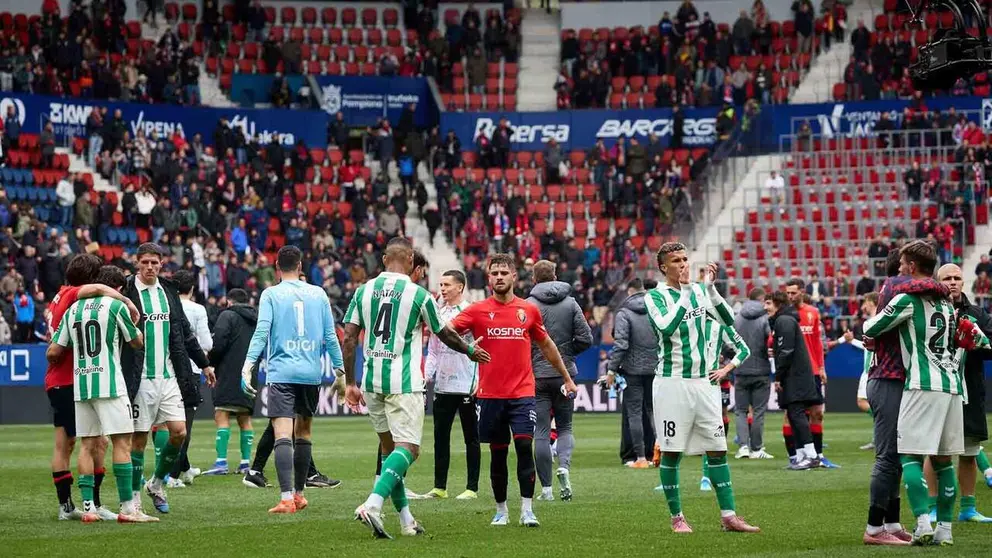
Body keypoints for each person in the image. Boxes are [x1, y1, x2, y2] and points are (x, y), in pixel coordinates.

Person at [345, 238, 489, 539]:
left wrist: (349, 383)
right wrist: (469, 350)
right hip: (404, 382)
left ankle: (406, 521)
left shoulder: (363, 291)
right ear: (411, 259)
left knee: (390, 453)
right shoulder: (418, 294)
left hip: (371, 381)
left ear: (384, 259)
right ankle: (373, 503)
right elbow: (444, 333)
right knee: (409, 449)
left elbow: (348, 338)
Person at [448, 253, 578, 527]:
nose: (499, 277)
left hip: (523, 393)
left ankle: (527, 510)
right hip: (490, 395)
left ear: (514, 277)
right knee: (498, 453)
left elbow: (547, 345)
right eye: (494, 273)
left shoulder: (528, 310)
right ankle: (501, 511)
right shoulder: (477, 310)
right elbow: (445, 330)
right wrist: (468, 349)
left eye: (503, 273)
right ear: (488, 278)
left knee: (523, 446)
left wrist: (567, 377)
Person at [645, 242, 759, 534]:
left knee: (717, 450)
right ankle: (677, 517)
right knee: (672, 452)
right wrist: (686, 292)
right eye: (676, 260)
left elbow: (728, 319)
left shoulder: (699, 291)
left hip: (705, 383)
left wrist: (710, 289)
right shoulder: (655, 296)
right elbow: (667, 327)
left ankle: (729, 516)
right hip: (672, 383)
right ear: (663, 267)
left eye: (685, 258)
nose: (683, 264)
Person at [863, 240, 966, 546]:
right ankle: (877, 528)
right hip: (902, 379)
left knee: (904, 457)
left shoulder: (915, 295)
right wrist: (942, 286)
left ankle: (899, 524)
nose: (900, 270)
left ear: (910, 265)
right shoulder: (909, 289)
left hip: (915, 381)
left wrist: (939, 285)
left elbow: (870, 327)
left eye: (903, 264)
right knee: (898, 457)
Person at [240, 246, 344, 514]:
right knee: (304, 433)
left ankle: (286, 498)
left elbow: (262, 331)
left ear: (276, 266)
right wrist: (340, 371)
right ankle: (299, 495)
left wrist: (248, 364)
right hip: (310, 374)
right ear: (300, 266)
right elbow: (331, 336)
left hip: (282, 373)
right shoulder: (318, 293)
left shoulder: (271, 294)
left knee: (283, 434)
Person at [47, 265, 153, 523]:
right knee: (122, 443)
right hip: (109, 383)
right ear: (118, 288)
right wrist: (136, 325)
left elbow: (53, 351)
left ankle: (88, 508)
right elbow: (137, 342)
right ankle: (128, 509)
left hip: (81, 385)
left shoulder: (73, 310)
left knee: (87, 445)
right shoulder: (116, 306)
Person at [122, 243, 215, 516]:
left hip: (169, 375)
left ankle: (157, 483)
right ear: (137, 263)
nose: (150, 267)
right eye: (145, 262)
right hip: (139, 378)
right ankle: (134, 499)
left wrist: (204, 364)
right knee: (139, 440)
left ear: (162, 264)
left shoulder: (168, 292)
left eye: (155, 262)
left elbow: (184, 333)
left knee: (179, 432)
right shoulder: (127, 291)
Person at [861, 248, 929, 546]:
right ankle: (874, 528)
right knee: (888, 456)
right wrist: (941, 285)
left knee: (898, 457)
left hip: (893, 379)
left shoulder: (894, 293)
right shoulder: (895, 285)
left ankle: (891, 522)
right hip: (888, 379)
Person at [926, 264, 992, 523]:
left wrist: (975, 342)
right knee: (934, 450)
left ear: (963, 282)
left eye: (957, 278)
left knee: (969, 452)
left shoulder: (977, 314)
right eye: (947, 278)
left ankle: (968, 508)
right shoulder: (928, 311)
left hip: (969, 391)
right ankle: (933, 507)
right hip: (937, 389)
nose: (952, 282)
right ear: (937, 282)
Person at [527, 260, 593, 502]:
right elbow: (586, 338)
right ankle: (563, 466)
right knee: (565, 427)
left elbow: (523, 340)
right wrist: (567, 354)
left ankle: (546, 490)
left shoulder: (527, 305)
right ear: (555, 276)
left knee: (541, 431)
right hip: (565, 375)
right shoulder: (571, 303)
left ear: (533, 279)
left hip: (538, 376)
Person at [422, 270, 481, 501]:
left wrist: (480, 378)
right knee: (440, 437)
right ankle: (440, 487)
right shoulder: (437, 314)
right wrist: (426, 376)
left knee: (471, 438)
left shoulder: (471, 313)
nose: (442, 289)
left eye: (447, 285)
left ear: (460, 287)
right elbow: (433, 351)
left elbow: (482, 348)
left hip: (467, 384)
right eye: (441, 285)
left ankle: (472, 488)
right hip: (443, 385)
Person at [783, 279, 837, 468]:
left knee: (817, 413)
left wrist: (821, 368)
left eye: (793, 293)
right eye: (788, 293)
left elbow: (817, 343)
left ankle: (819, 456)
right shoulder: (785, 314)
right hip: (792, 372)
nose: (790, 296)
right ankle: (795, 457)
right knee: (791, 415)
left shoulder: (813, 312)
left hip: (812, 370)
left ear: (802, 292)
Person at [765, 291, 820, 470]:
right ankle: (802, 455)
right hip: (794, 374)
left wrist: (778, 376)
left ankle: (812, 456)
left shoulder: (784, 321)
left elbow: (787, 351)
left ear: (778, 304)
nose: (765, 307)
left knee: (796, 413)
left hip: (795, 375)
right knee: (793, 414)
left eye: (768, 303)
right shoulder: (784, 320)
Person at [206, 288, 257, 481]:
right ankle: (245, 463)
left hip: (228, 372)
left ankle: (221, 462)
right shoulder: (255, 319)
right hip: (249, 373)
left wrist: (210, 361)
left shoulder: (227, 315)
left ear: (229, 301)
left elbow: (218, 343)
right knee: (245, 417)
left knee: (222, 413)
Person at [168, 270, 213, 486]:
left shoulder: (166, 305)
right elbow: (206, 343)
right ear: (192, 289)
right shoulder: (197, 309)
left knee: (168, 424)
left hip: (168, 369)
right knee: (185, 424)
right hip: (191, 370)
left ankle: (185, 469)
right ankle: (172, 475)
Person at [608, 278, 658, 468]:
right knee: (654, 412)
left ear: (630, 291)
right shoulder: (656, 309)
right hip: (655, 369)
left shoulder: (624, 313)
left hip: (632, 370)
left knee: (634, 414)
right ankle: (658, 453)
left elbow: (621, 344)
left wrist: (612, 369)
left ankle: (640, 458)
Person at [699, 314, 750, 490]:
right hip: (686, 383)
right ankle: (667, 480)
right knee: (677, 430)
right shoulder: (685, 323)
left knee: (713, 424)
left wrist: (725, 368)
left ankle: (707, 476)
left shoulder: (720, 326)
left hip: (713, 383)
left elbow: (743, 350)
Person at [732, 287, 773, 459]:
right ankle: (756, 449)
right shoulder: (765, 318)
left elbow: (729, 342)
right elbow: (770, 341)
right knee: (758, 411)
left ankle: (743, 447)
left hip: (741, 369)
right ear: (762, 299)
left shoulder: (737, 318)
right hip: (761, 369)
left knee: (740, 411)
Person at [856, 294, 878, 451]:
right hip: (870, 368)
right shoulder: (873, 320)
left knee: (863, 402)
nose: (864, 306)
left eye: (866, 302)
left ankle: (883, 424)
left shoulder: (875, 321)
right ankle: (878, 437)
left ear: (871, 302)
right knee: (871, 403)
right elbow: (867, 346)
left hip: (871, 369)